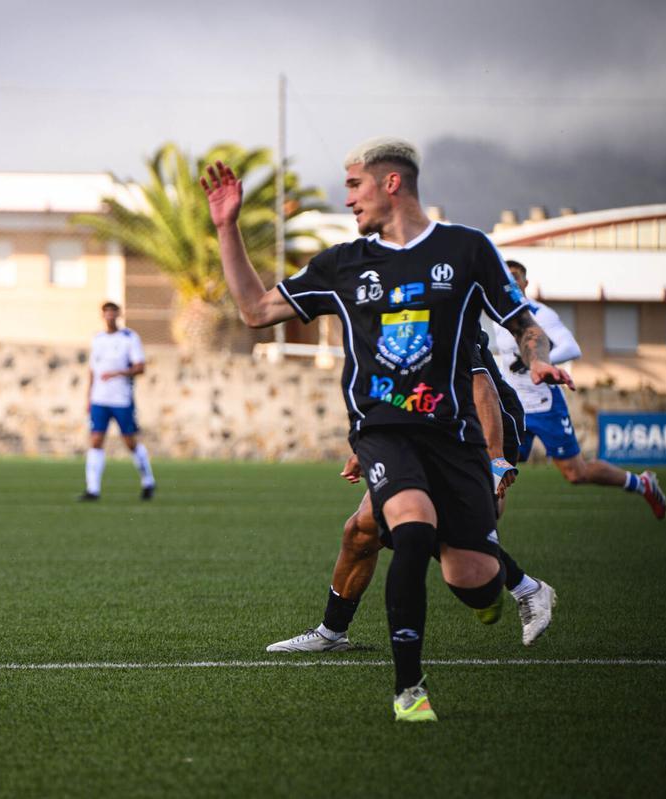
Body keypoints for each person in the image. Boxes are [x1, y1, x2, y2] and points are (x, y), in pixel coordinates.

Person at [202, 136, 573, 721]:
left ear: (391, 182)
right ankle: (409, 693)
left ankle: (507, 589)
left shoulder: (467, 249)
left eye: (354, 185)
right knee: (409, 526)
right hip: (383, 431)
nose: (347, 198)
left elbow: (522, 322)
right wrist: (227, 227)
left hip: (453, 437)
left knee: (470, 576)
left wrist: (538, 357)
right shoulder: (344, 264)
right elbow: (255, 311)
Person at [266, 328, 557, 654]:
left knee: (455, 562)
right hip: (421, 430)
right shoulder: (382, 316)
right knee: (362, 529)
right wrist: (369, 447)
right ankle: (332, 632)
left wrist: (495, 458)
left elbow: (481, 387)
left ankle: (521, 587)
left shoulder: (441, 303)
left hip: (470, 433)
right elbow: (394, 391)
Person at [494, 260, 666, 520]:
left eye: (516, 277)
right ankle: (486, 543)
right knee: (497, 470)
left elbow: (572, 347)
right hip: (514, 407)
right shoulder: (497, 316)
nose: (512, 283)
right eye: (506, 278)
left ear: (526, 283)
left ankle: (641, 483)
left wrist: (538, 361)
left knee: (576, 473)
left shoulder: (541, 315)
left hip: (545, 405)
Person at [80, 301, 156, 501]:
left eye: (113, 313)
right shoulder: (97, 339)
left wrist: (118, 373)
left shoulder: (129, 338)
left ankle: (148, 480)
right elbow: (92, 370)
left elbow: (140, 367)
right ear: (102, 316)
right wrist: (88, 397)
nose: (110, 317)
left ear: (119, 315)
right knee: (96, 439)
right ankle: (92, 489)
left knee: (129, 441)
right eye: (107, 313)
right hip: (99, 399)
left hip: (121, 399)